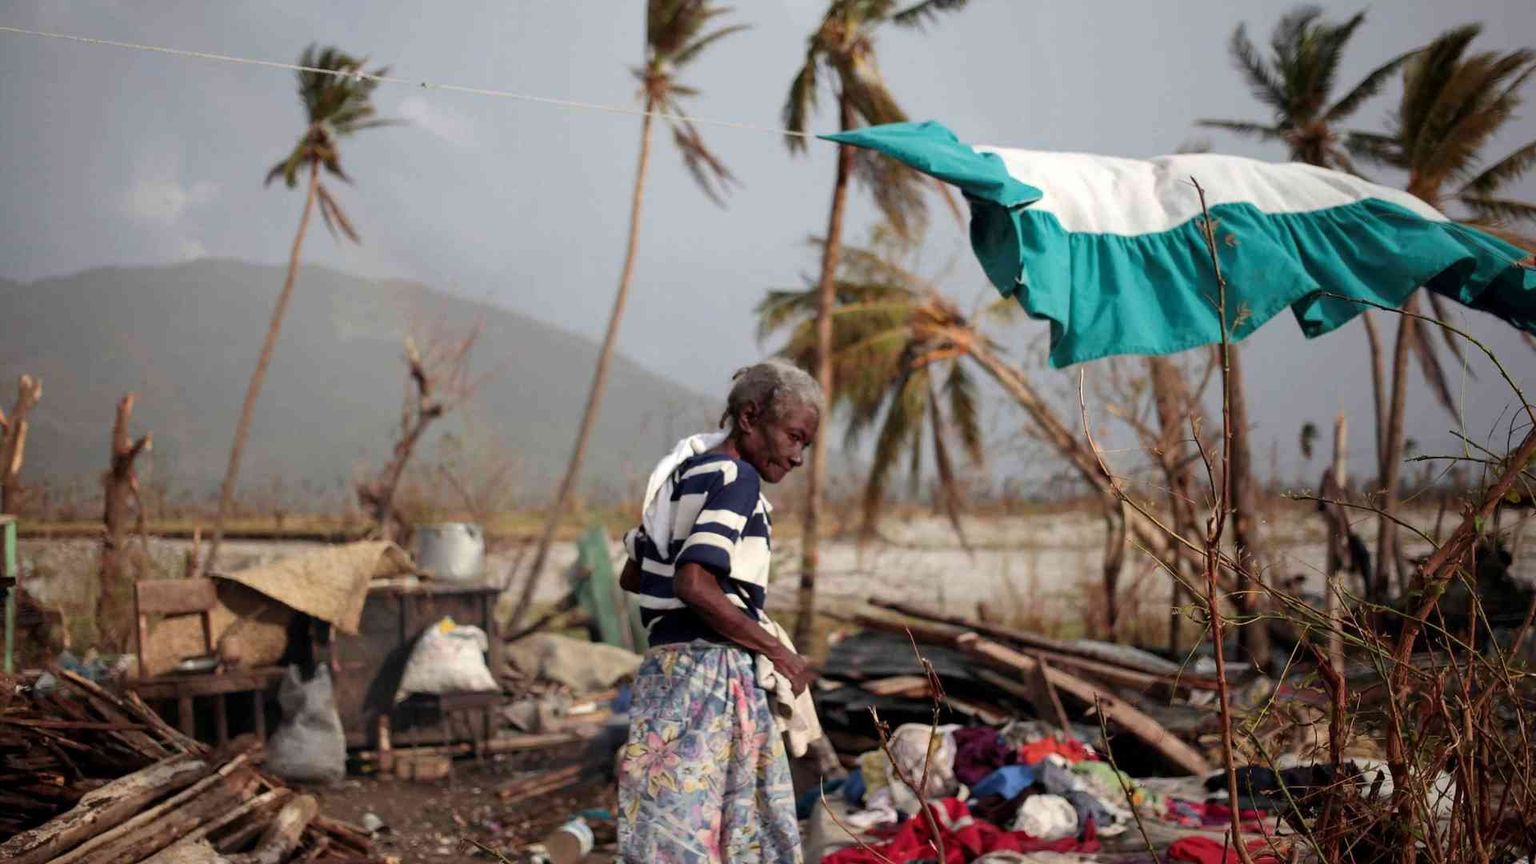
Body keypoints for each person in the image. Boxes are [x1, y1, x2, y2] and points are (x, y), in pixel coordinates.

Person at [616, 359, 822, 863]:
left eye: (805, 445)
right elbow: (693, 582)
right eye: (794, 437)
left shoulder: (684, 475)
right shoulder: (737, 479)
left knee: (672, 827)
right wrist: (778, 651)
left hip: (664, 673)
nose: (797, 457)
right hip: (712, 675)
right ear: (749, 418)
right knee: (737, 831)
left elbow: (633, 575)